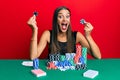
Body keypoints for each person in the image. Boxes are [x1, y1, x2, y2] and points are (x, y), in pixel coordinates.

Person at [27, 6, 101, 60]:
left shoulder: (77, 35)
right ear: (56, 20)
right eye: (60, 16)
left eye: (67, 16)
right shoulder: (47, 34)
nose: (65, 19)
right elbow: (33, 57)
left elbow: (97, 56)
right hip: (53, 72)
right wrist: (34, 30)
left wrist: (88, 36)